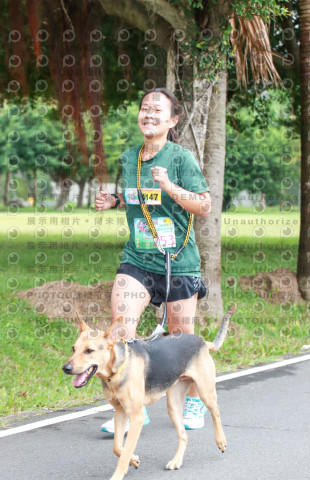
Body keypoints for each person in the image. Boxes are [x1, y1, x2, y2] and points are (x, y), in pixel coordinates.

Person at [95, 87, 212, 432]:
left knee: (181, 337)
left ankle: (193, 403)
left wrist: (171, 186)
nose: (148, 114)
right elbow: (140, 199)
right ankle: (134, 408)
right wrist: (115, 201)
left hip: (177, 261)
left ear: (172, 119)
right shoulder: (129, 157)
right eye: (144, 108)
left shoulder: (181, 159)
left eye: (156, 110)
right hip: (138, 260)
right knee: (122, 328)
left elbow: (204, 206)